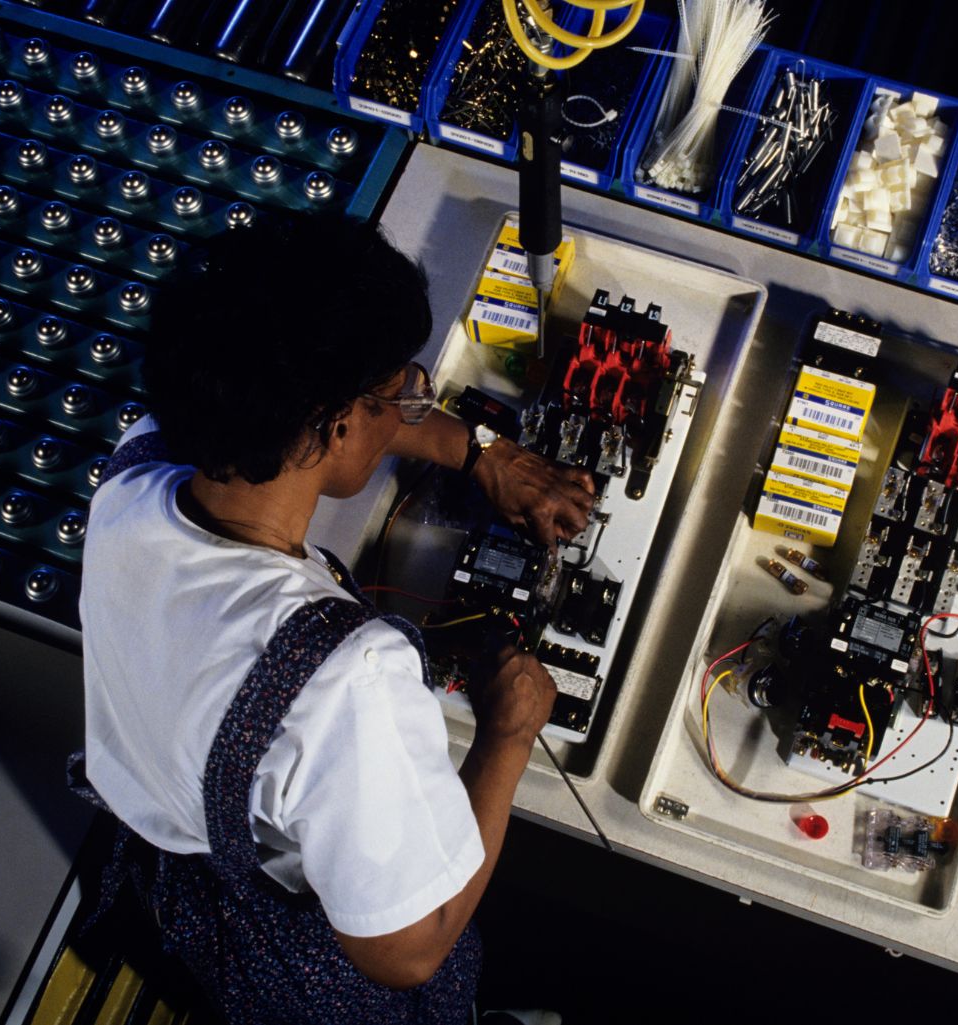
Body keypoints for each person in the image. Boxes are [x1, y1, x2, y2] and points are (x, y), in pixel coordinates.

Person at [78, 215, 595, 1024]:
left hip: (161, 865)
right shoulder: (345, 681)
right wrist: (507, 735)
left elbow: (319, 412)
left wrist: (481, 453)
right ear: (339, 422)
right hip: (306, 951)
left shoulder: (135, 473)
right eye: (400, 396)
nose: (408, 414)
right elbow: (409, 948)